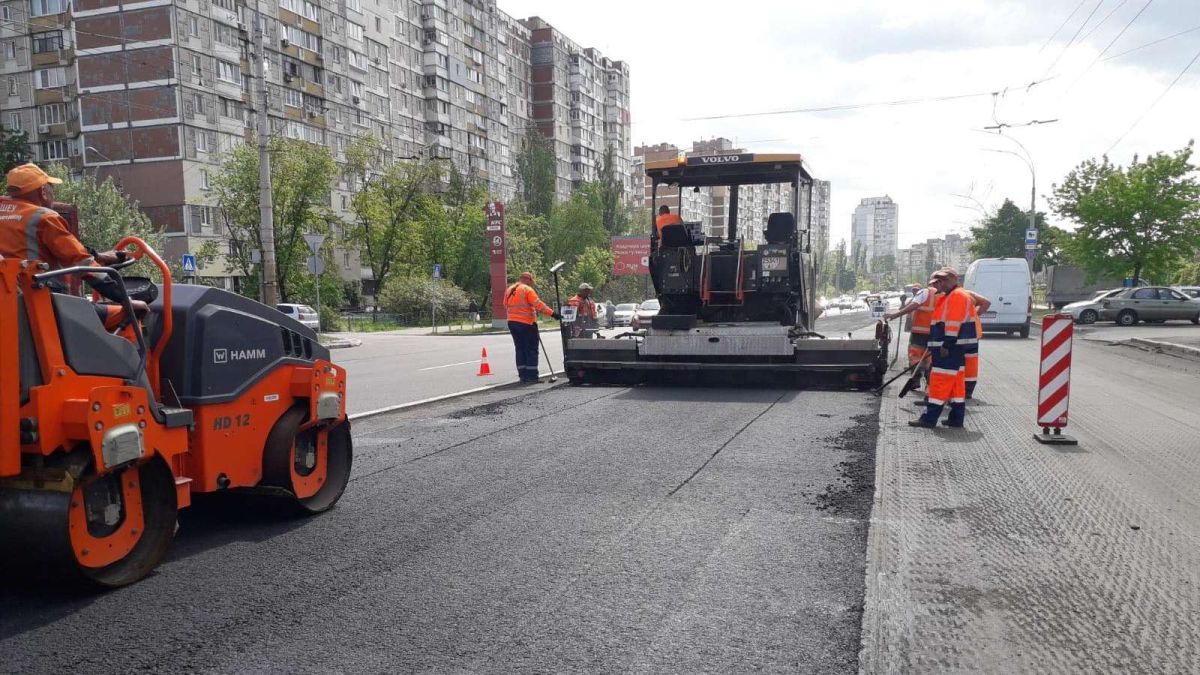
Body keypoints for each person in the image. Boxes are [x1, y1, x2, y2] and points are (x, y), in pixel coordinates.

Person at [0, 163, 145, 329]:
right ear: (43, 192)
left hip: (10, 304)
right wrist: (124, 298)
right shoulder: (43, 218)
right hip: (42, 305)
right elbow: (82, 263)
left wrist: (99, 256)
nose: (52, 193)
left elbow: (28, 250)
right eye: (51, 188)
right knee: (130, 318)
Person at [909, 268, 976, 429]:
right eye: (938, 282)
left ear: (954, 279)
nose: (941, 284)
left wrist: (946, 344)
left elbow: (953, 323)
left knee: (939, 383)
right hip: (953, 348)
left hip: (949, 348)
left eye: (944, 280)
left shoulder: (957, 296)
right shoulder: (950, 296)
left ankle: (928, 419)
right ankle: (956, 419)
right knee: (956, 385)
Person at [883, 281, 938, 394]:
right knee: (930, 358)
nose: (914, 291)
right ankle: (930, 384)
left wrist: (894, 315)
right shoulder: (944, 295)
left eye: (915, 289)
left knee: (915, 357)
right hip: (936, 332)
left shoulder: (924, 293)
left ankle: (916, 380)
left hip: (920, 332)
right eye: (913, 289)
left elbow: (912, 306)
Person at [505, 271, 559, 384]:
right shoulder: (527, 290)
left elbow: (505, 304)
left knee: (520, 349)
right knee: (531, 349)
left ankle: (522, 376)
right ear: (529, 280)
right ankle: (532, 377)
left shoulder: (509, 289)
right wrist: (553, 314)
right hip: (527, 324)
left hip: (512, 323)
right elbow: (538, 304)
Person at [961, 287, 991, 399]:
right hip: (973, 333)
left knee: (956, 362)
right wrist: (976, 314)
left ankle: (956, 390)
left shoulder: (949, 297)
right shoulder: (969, 293)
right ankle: (968, 390)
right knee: (971, 362)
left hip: (959, 333)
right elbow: (987, 302)